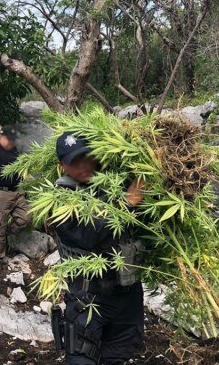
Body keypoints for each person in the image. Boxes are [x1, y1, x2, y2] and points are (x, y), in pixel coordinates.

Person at [51, 131, 144, 365]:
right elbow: (90, 236)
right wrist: (127, 203)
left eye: (86, 157)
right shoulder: (60, 201)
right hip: (88, 299)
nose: (82, 166)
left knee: (120, 358)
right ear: (62, 165)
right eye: (74, 161)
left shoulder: (115, 183)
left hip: (127, 295)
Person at [0, 125, 31, 259]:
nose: (12, 142)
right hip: (0, 194)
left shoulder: (14, 150)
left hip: (17, 192)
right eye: (9, 139)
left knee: (26, 219)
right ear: (1, 137)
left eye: (13, 139)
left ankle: (7, 233)